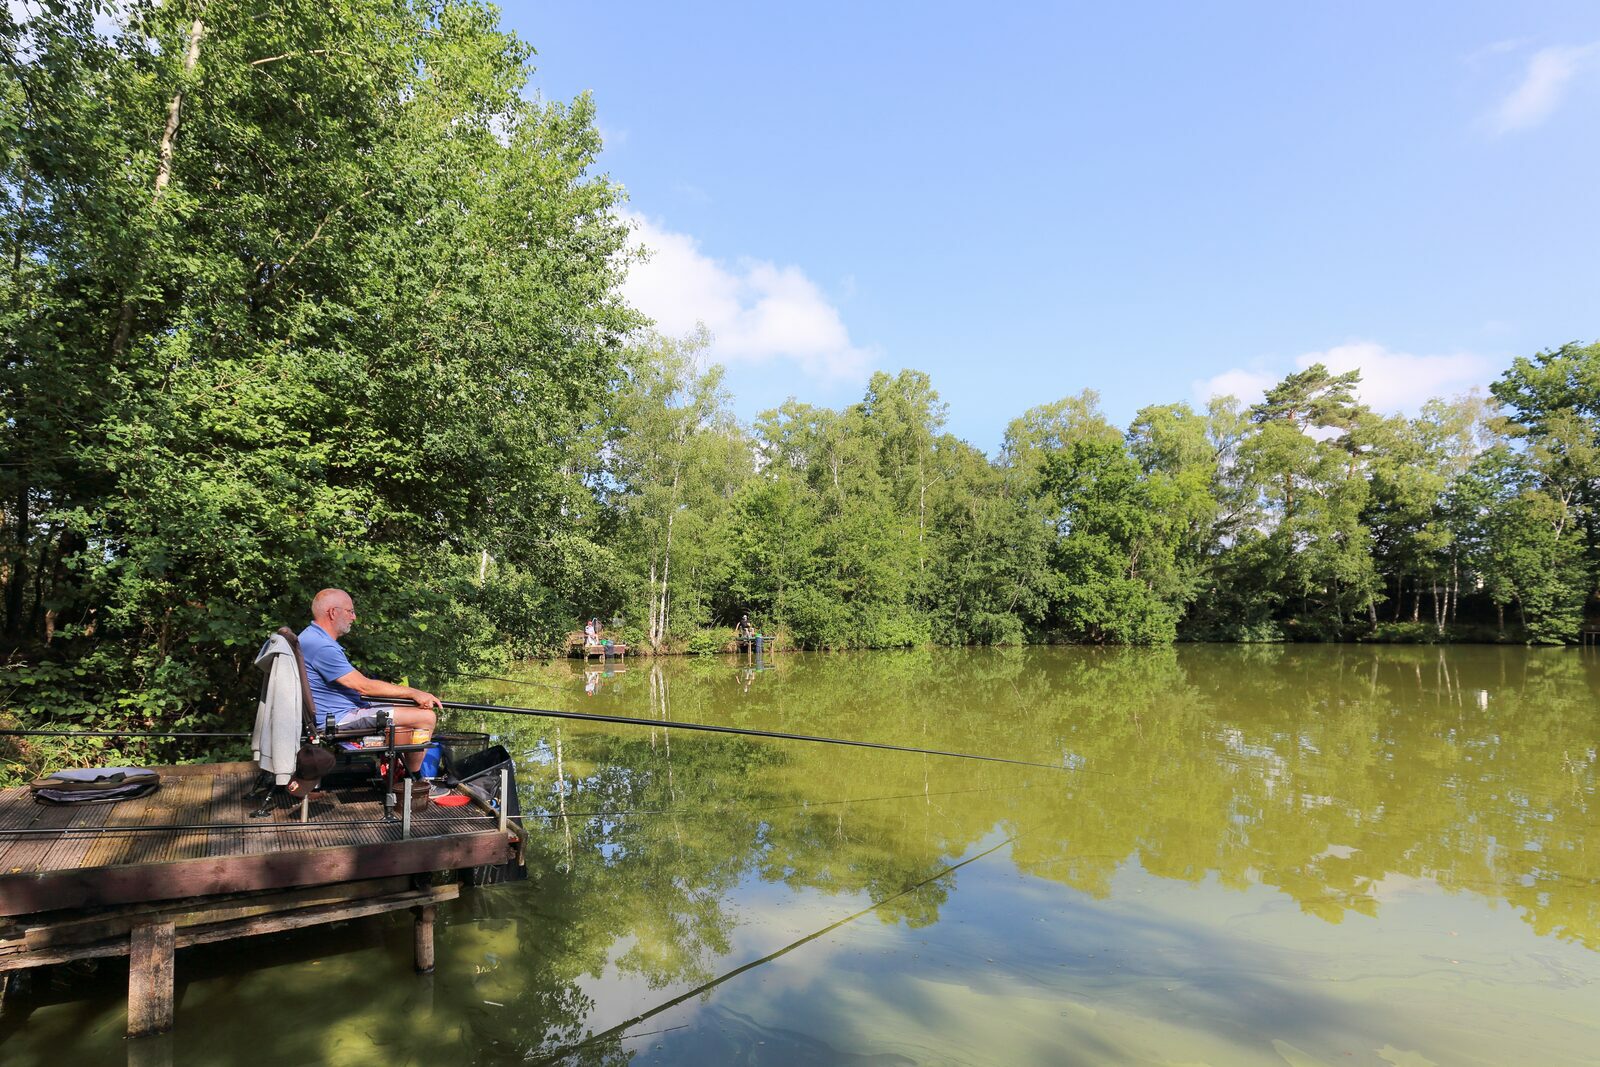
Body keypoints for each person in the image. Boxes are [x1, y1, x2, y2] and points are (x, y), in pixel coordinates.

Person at [299, 588, 444, 792]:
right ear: (332, 613)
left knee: (414, 710)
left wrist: (410, 696)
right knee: (426, 718)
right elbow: (362, 685)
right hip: (339, 718)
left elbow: (358, 684)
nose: (354, 617)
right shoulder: (321, 647)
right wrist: (414, 692)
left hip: (343, 709)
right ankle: (412, 783)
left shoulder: (310, 637)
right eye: (350, 611)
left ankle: (398, 774)